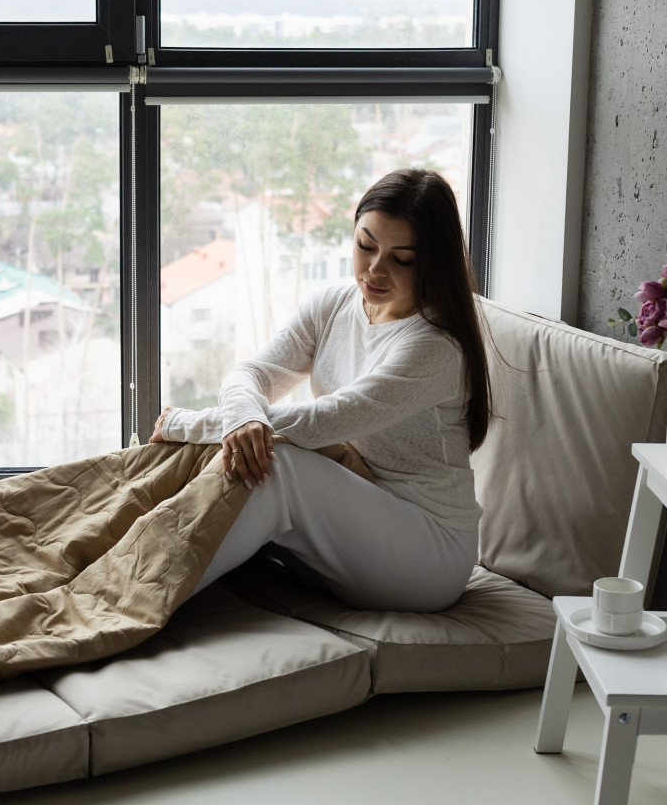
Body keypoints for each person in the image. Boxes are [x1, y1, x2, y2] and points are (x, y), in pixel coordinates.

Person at [148, 167, 492, 613]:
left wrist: (189, 423)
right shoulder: (333, 305)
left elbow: (323, 421)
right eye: (365, 245)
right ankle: (121, 566)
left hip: (427, 552)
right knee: (236, 450)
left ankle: (145, 599)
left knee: (276, 465)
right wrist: (239, 417)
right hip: (347, 525)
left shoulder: (434, 346)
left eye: (402, 259)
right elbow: (252, 373)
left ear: (433, 261)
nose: (375, 269)